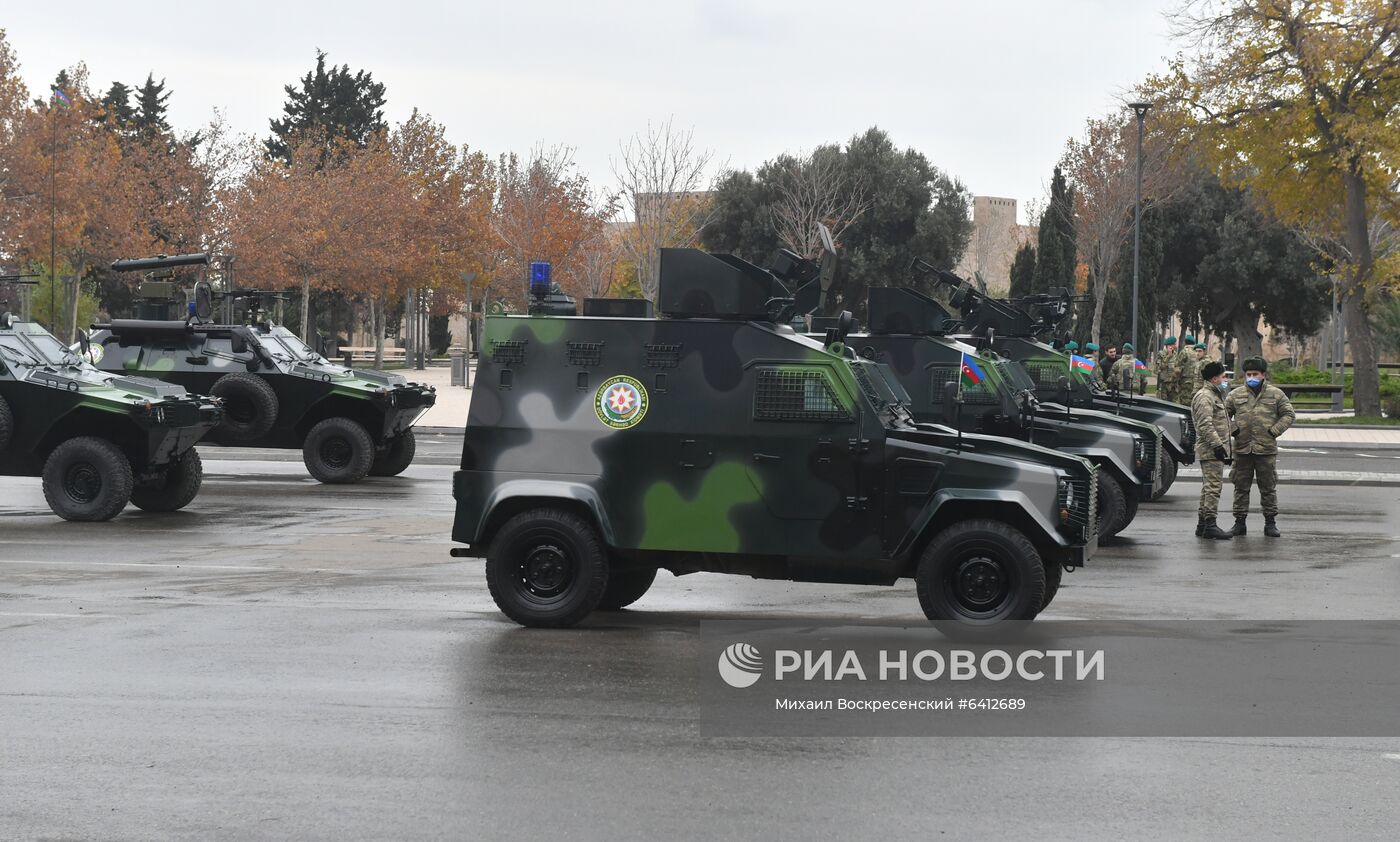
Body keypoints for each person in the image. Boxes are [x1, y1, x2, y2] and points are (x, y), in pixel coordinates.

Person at [1225, 357, 1295, 538]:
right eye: (1248, 374)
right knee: (1240, 487)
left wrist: (1274, 431)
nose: (1251, 377)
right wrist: (1234, 430)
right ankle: (1239, 523)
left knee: (1268, 487)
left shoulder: (1276, 394)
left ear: (1263, 375)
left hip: (1266, 449)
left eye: (1255, 374)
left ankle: (1270, 523)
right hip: (1242, 448)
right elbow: (1223, 415)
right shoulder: (1235, 394)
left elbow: (1288, 414)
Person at [1191, 360, 1234, 540]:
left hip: (1214, 448)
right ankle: (1210, 524)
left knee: (1208, 488)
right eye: (1223, 376)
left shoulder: (1215, 394)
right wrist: (1218, 446)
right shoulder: (1205, 396)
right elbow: (1205, 425)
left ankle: (1203, 525)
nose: (1225, 380)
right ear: (1215, 378)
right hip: (1211, 449)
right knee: (1213, 488)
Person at [1157, 336, 1179, 401]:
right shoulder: (1161, 354)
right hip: (1164, 383)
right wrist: (1168, 356)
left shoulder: (1175, 354)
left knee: (1173, 404)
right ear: (1169, 346)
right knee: (1163, 403)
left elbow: (1177, 366)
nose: (1175, 346)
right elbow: (1159, 367)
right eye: (1174, 344)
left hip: (1173, 384)